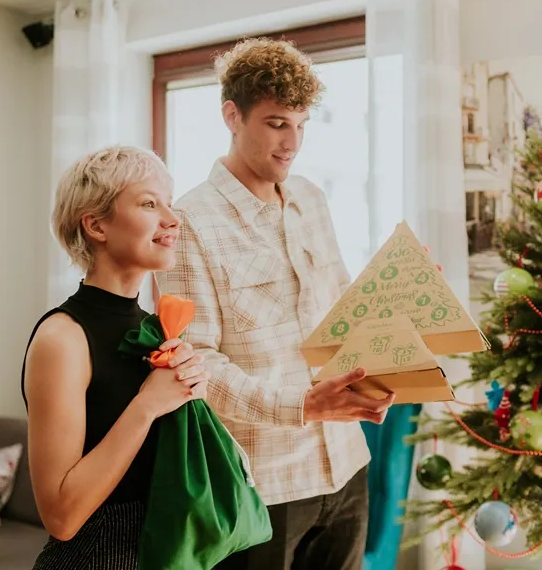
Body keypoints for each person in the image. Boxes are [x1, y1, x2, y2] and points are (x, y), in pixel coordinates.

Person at [157, 38, 396, 570]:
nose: (292, 142)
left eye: (302, 124)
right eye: (276, 123)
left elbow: (341, 307)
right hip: (264, 483)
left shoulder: (310, 196)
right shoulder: (189, 222)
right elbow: (196, 365)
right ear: (232, 115)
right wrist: (305, 406)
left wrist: (401, 288)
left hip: (348, 463)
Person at [21, 146, 209, 569]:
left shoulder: (156, 331)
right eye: (149, 203)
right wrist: (148, 405)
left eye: (170, 203)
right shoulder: (62, 339)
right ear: (96, 226)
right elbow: (62, 517)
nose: (173, 219)